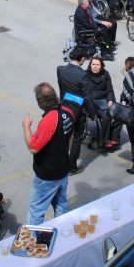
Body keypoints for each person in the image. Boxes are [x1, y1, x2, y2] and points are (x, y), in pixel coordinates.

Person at [23, 82, 74, 225]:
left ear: (40, 103)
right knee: (61, 204)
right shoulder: (67, 112)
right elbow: (71, 137)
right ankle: (61, 229)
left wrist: (26, 126)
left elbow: (33, 148)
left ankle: (33, 238)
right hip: (63, 169)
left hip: (48, 175)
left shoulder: (49, 120)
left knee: (36, 211)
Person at [57, 46, 87, 175]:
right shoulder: (83, 75)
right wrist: (92, 113)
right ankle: (72, 167)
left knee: (64, 137)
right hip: (78, 111)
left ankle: (61, 163)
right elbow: (87, 97)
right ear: (82, 59)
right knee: (77, 139)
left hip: (64, 108)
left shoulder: (61, 70)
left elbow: (61, 88)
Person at [83, 57, 122, 150]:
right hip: (90, 102)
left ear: (101, 66)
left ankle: (114, 138)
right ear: (90, 65)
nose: (95, 66)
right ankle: (105, 140)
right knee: (107, 115)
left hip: (104, 100)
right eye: (93, 64)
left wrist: (110, 99)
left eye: (97, 64)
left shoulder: (105, 74)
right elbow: (83, 92)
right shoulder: (84, 74)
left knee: (120, 114)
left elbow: (110, 89)